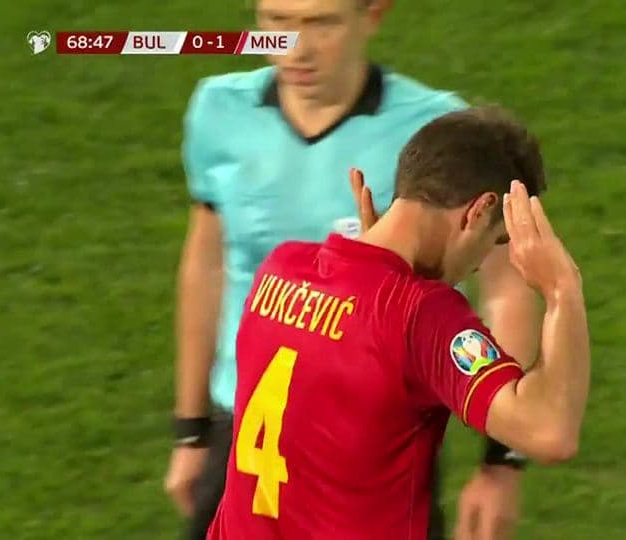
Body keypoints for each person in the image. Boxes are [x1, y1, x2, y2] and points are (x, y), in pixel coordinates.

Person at [165, 1, 542, 538]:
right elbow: (208, 265)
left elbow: (503, 286)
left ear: (373, 15)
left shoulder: (434, 131)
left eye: (322, 23)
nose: (295, 47)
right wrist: (192, 428)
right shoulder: (218, 111)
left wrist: (501, 459)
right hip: (247, 432)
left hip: (375, 442)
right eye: (276, 22)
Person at [207, 106, 591, 539]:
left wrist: (377, 270)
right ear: (479, 211)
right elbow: (549, 431)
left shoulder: (280, 270)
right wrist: (562, 289)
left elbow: (335, 367)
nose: (480, 264)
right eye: (494, 240)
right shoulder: (421, 315)